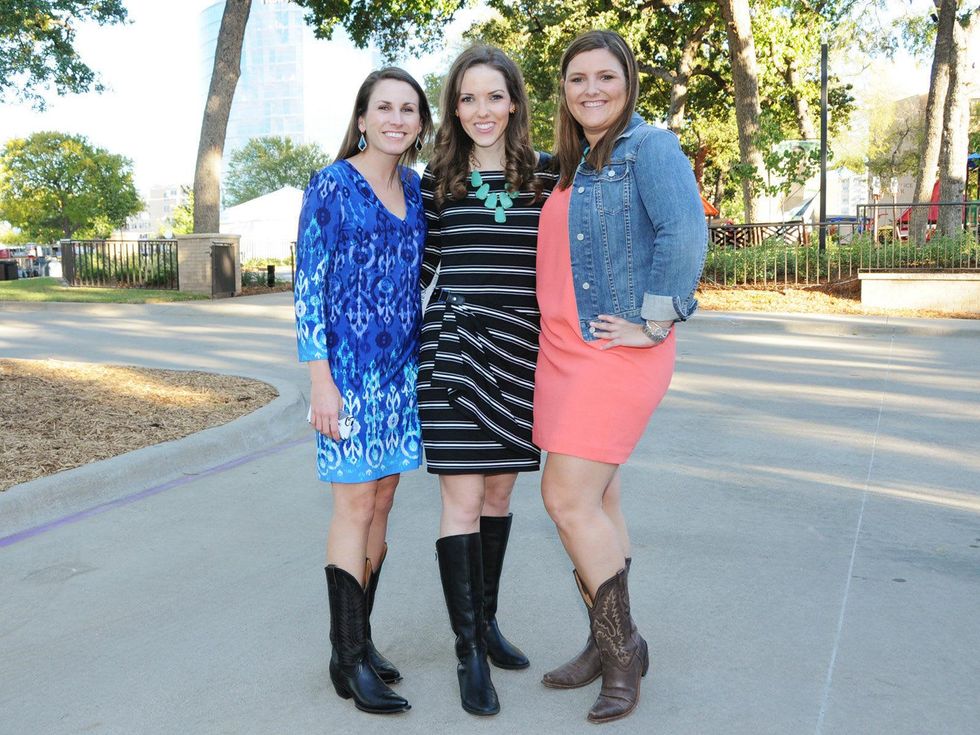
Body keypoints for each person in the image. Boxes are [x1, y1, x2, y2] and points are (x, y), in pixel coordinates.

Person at [533, 30, 707, 723]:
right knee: (599, 501)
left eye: (605, 76)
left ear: (628, 83)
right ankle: (603, 639)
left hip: (613, 350)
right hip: (561, 351)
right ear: (564, 91)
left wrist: (656, 321)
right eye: (577, 78)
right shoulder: (570, 162)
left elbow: (685, 232)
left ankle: (622, 651)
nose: (591, 90)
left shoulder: (649, 148)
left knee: (565, 497)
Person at [418, 45, 558, 716]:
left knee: (500, 493)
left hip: (522, 353)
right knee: (463, 498)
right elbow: (420, 268)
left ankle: (489, 621)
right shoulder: (437, 179)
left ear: (514, 103)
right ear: (454, 107)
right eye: (468, 97)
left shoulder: (547, 174)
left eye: (494, 96)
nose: (482, 110)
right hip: (454, 351)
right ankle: (468, 649)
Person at [293, 67, 432, 715]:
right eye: (385, 107)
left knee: (381, 503)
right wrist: (320, 380)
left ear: (420, 123)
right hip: (346, 378)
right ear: (362, 118)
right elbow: (307, 287)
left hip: (400, 375)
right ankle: (346, 658)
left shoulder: (417, 188)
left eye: (408, 109)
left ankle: (360, 639)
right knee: (353, 507)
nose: (396, 119)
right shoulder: (331, 184)